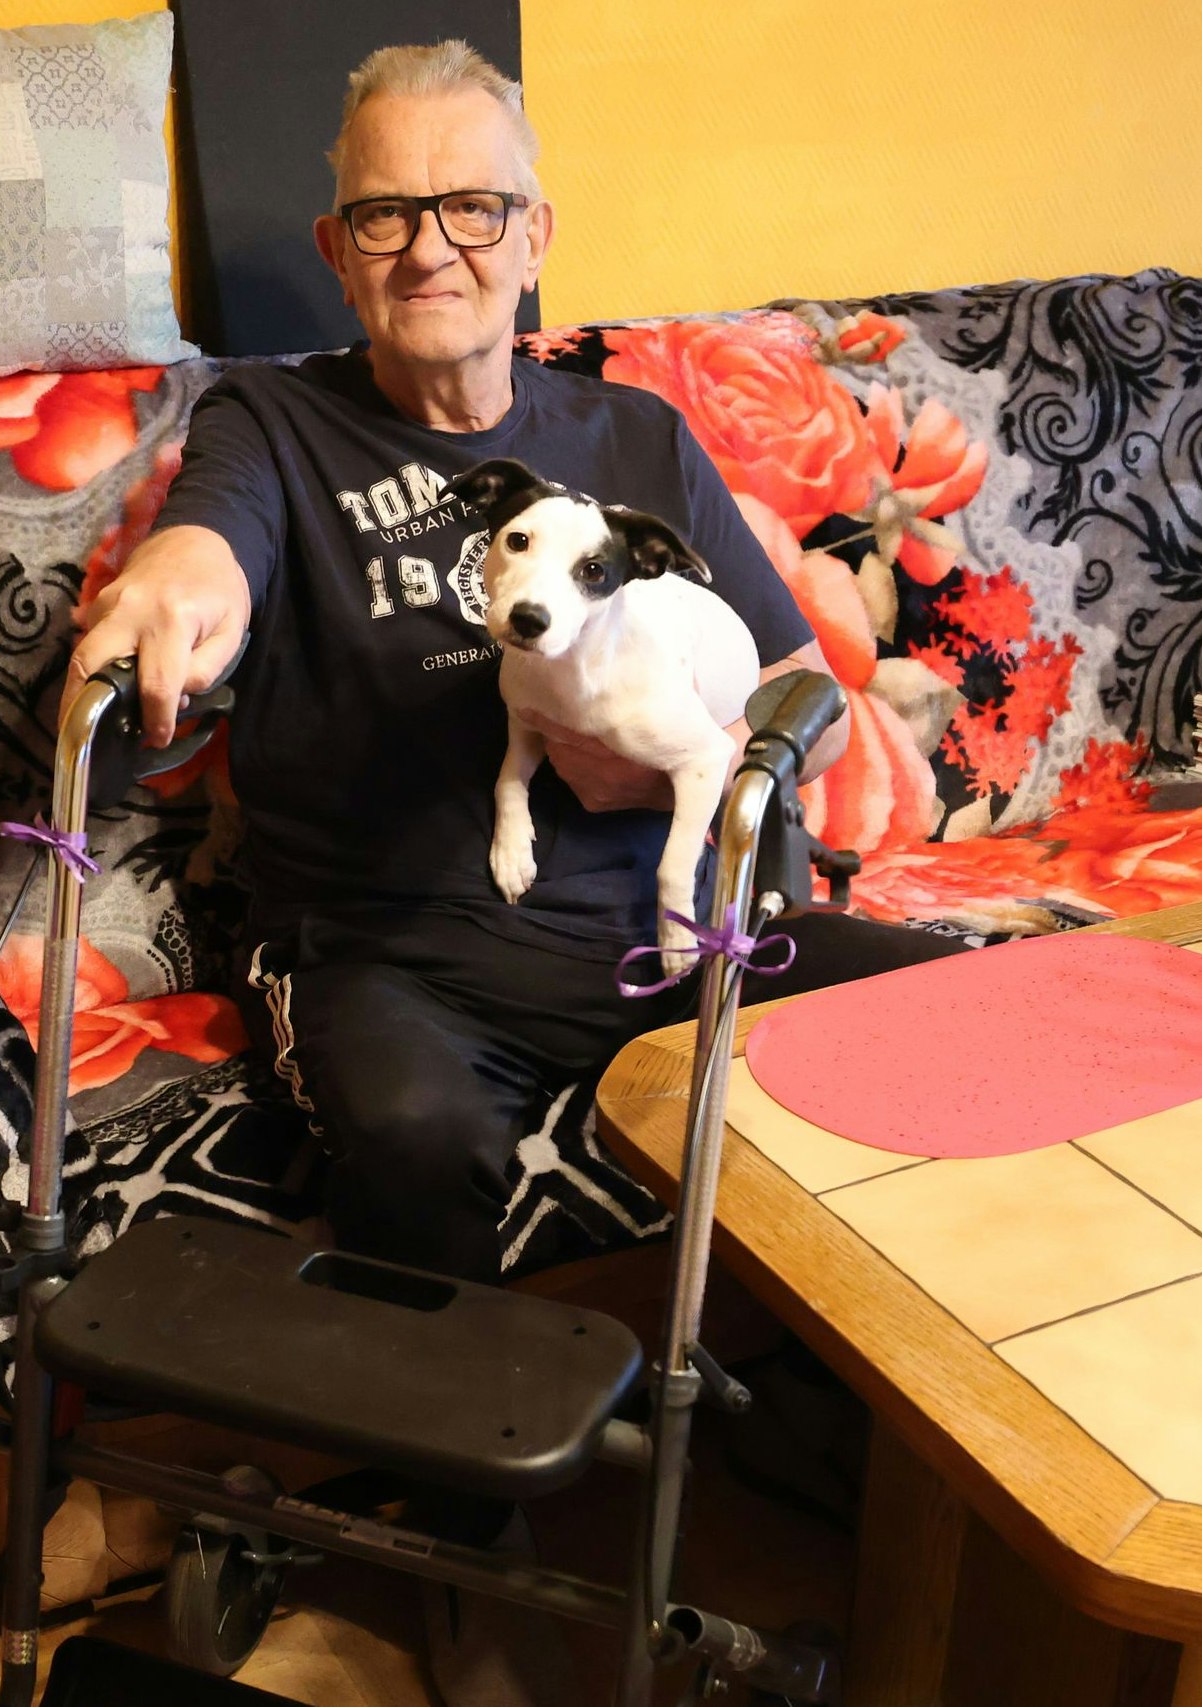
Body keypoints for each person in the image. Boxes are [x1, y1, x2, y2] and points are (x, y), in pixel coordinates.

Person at [70, 40, 962, 1290]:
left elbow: (807, 699)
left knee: (967, 1009)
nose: (429, 250)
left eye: (474, 209)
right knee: (415, 1140)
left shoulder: (637, 437)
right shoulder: (270, 422)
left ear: (533, 238)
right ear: (338, 253)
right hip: (401, 965)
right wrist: (174, 582)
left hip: (684, 942)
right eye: (385, 215)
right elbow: (206, 543)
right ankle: (443, 1428)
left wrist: (680, 769)